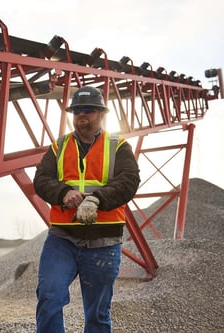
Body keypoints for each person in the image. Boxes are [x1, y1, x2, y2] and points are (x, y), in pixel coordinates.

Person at [33, 85, 140, 333]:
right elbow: (41, 180)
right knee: (49, 297)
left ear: (102, 114)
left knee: (97, 314)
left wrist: (96, 199)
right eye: (77, 110)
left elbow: (129, 181)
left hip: (104, 241)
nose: (82, 115)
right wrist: (63, 193)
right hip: (62, 239)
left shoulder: (118, 146)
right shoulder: (59, 146)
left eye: (89, 110)